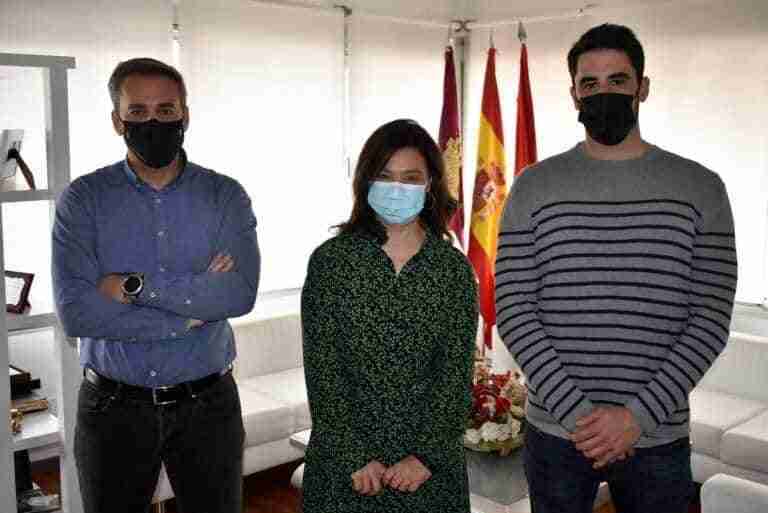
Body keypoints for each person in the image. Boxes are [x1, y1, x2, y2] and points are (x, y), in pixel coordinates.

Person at [495, 24, 737, 513]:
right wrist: (581, 418)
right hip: (555, 433)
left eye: (618, 80)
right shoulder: (533, 186)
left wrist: (635, 418)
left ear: (642, 87)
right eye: (590, 83)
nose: (602, 93)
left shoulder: (701, 188)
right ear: (574, 95)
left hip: (657, 434)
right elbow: (515, 309)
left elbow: (710, 318)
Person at [52, 57, 260, 513]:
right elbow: (77, 314)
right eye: (138, 111)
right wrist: (190, 311)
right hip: (112, 409)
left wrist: (133, 288)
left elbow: (238, 294)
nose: (153, 122)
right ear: (117, 120)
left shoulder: (225, 196)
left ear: (185, 115)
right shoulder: (83, 200)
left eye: (166, 110)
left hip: (208, 407)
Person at [300, 119, 479, 513]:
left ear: (430, 184)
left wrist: (425, 457)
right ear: (366, 181)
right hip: (345, 465)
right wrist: (353, 455)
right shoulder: (331, 262)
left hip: (428, 470)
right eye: (385, 176)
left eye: (411, 177)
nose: (397, 188)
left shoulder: (453, 270)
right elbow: (323, 368)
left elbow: (454, 374)